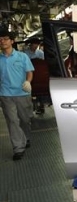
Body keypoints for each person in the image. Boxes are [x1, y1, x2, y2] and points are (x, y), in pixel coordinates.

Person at [0, 29, 34, 160]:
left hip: (22, 93)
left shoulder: (22, 56)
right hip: (5, 94)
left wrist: (28, 81)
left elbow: (29, 72)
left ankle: (26, 137)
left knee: (25, 119)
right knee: (13, 121)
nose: (2, 41)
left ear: (12, 41)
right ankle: (18, 148)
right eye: (0, 39)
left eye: (5, 39)